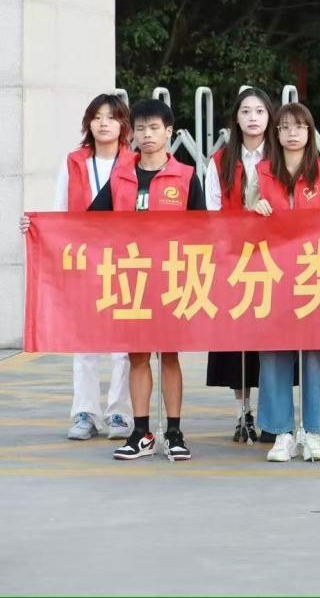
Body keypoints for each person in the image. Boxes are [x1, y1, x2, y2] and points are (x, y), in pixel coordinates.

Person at [94, 99, 207, 461]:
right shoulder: (121, 176)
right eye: (140, 128)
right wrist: (39, 226)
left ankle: (174, 432)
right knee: (138, 356)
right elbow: (88, 222)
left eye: (154, 128)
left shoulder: (186, 176)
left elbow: (204, 230)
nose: (147, 134)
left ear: (169, 131)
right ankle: (140, 432)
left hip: (172, 279)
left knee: (170, 356)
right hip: (132, 280)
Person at [18, 94, 134, 441]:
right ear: (88, 124)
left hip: (126, 261)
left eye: (111, 117)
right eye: (97, 117)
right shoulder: (74, 161)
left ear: (123, 125)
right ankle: (85, 412)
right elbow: (59, 209)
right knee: (84, 341)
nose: (103, 123)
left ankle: (119, 412)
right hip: (84, 261)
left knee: (124, 344)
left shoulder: (133, 162)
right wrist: (38, 227)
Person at [250, 102, 320, 463]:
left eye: (299, 127)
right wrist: (254, 210)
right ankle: (282, 433)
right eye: (285, 127)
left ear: (310, 132)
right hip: (273, 274)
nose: (292, 133)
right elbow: (242, 221)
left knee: (316, 352)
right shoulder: (261, 172)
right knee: (274, 353)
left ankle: (313, 431)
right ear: (276, 133)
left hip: (315, 272)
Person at [204, 88, 277, 443]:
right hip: (233, 258)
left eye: (259, 111)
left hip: (273, 259)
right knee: (236, 342)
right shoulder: (220, 161)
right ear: (235, 118)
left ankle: (272, 414)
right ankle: (242, 412)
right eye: (246, 111)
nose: (252, 118)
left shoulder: (280, 157)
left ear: (269, 116)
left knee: (271, 339)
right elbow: (212, 212)